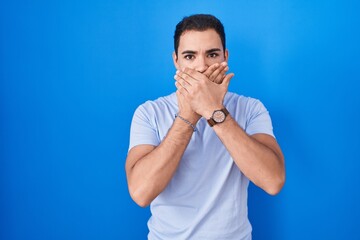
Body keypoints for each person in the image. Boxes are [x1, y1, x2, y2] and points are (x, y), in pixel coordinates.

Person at [125, 14, 285, 240]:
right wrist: (188, 115)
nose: (201, 66)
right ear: (176, 61)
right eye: (190, 56)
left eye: (212, 54)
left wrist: (213, 111)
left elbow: (273, 181)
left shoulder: (251, 109)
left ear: (225, 57)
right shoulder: (149, 113)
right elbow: (141, 193)